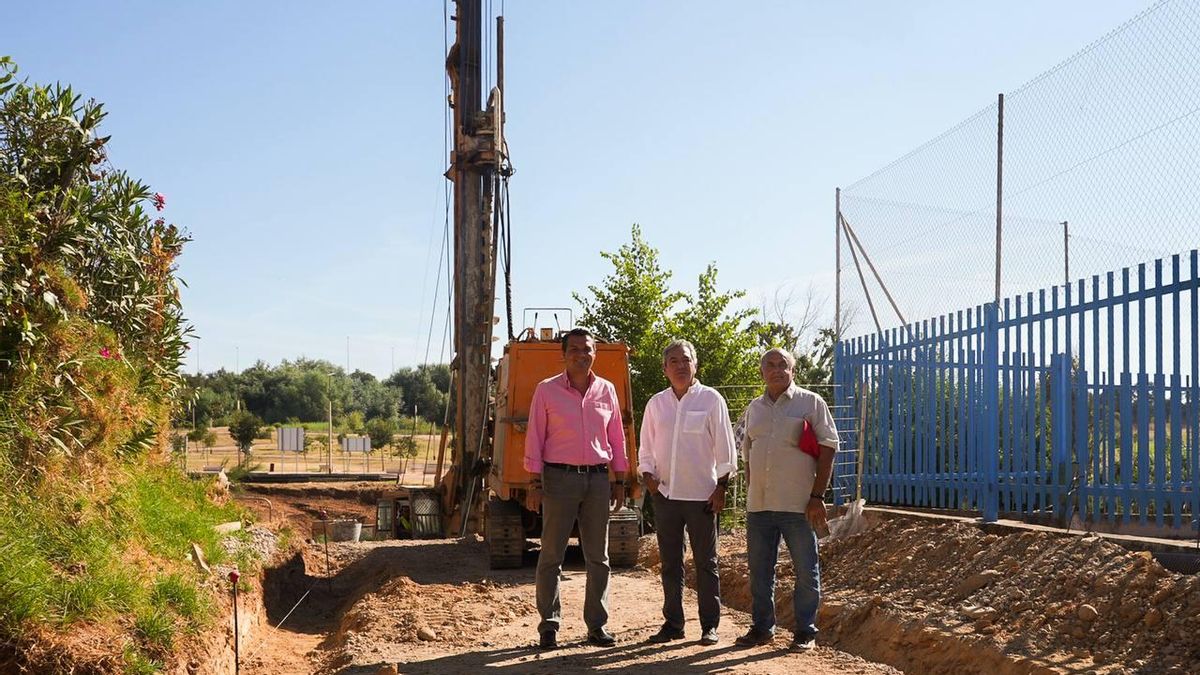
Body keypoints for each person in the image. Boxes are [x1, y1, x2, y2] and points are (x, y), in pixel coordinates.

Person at [524, 328, 629, 650]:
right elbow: (535, 437)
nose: (581, 354)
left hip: (598, 480)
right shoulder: (546, 390)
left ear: (595, 353)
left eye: (587, 349)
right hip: (559, 479)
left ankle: (597, 626)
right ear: (563, 354)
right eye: (574, 349)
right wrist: (534, 482)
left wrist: (621, 478)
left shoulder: (607, 390)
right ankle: (549, 626)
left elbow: (616, 436)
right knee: (551, 556)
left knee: (599, 557)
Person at [734, 347, 839, 651]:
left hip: (799, 505)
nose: (777, 369)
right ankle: (762, 628)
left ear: (794, 371)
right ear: (761, 372)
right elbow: (748, 454)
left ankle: (805, 631)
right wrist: (754, 490)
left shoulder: (811, 402)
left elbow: (829, 448)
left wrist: (818, 496)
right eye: (770, 365)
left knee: (806, 569)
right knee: (759, 571)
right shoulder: (754, 408)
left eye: (784, 365)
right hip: (760, 507)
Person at [639, 339, 736, 646]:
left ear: (696, 365)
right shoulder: (657, 403)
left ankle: (709, 625)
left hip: (703, 497)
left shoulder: (711, 400)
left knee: (706, 563)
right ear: (665, 368)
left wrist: (721, 486)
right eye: (674, 361)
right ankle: (673, 624)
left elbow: (725, 445)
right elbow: (646, 446)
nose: (680, 366)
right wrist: (648, 478)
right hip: (665, 497)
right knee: (670, 563)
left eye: (686, 360)